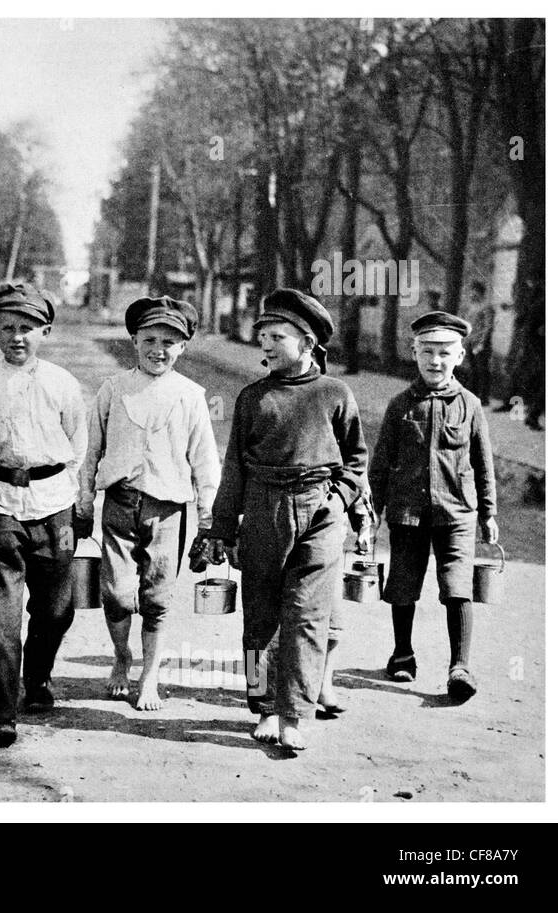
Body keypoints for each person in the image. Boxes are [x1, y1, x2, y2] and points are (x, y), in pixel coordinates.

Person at [198, 289, 369, 751]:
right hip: (262, 508)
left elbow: (355, 458)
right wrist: (221, 528)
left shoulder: (335, 393)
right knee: (260, 617)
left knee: (307, 615)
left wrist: (338, 499)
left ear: (308, 343)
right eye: (263, 337)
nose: (267, 345)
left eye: (278, 336)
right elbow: (233, 466)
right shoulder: (253, 397)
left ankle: (294, 714)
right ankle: (264, 706)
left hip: (320, 511)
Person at [77, 296, 221, 710]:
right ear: (134, 341)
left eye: (170, 342)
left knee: (157, 599)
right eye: (150, 339)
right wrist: (84, 500)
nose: (159, 349)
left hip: (168, 511)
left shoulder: (191, 395)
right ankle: (122, 658)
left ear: (184, 347)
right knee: (119, 595)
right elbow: (90, 453)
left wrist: (209, 519)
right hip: (120, 504)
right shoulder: (113, 389)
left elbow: (205, 463)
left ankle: (150, 676)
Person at [0, 282, 87, 747]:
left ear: (46, 331)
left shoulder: (62, 383)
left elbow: (79, 447)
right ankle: (0, 712)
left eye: (28, 328)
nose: (17, 337)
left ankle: (37, 677)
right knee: (0, 616)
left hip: (54, 504)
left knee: (56, 610)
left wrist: (78, 502)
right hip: (0, 504)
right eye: (8, 328)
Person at [369, 311, 498, 702]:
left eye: (444, 352)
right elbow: (380, 463)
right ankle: (402, 653)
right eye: (427, 351)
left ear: (460, 356)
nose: (435, 361)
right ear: (414, 353)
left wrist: (489, 513)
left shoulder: (471, 405)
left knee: (458, 587)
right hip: (407, 512)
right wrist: (370, 513)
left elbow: (483, 462)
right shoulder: (399, 406)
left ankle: (460, 666)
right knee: (403, 583)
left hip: (457, 512)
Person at [463, 281, 494, 405]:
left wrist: (482, 342)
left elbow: (488, 326)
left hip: (480, 343)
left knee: (482, 369)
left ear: (480, 292)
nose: (472, 294)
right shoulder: (471, 306)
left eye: (475, 291)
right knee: (473, 369)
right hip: (471, 341)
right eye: (471, 291)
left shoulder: (486, 307)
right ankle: (473, 394)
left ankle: (484, 397)